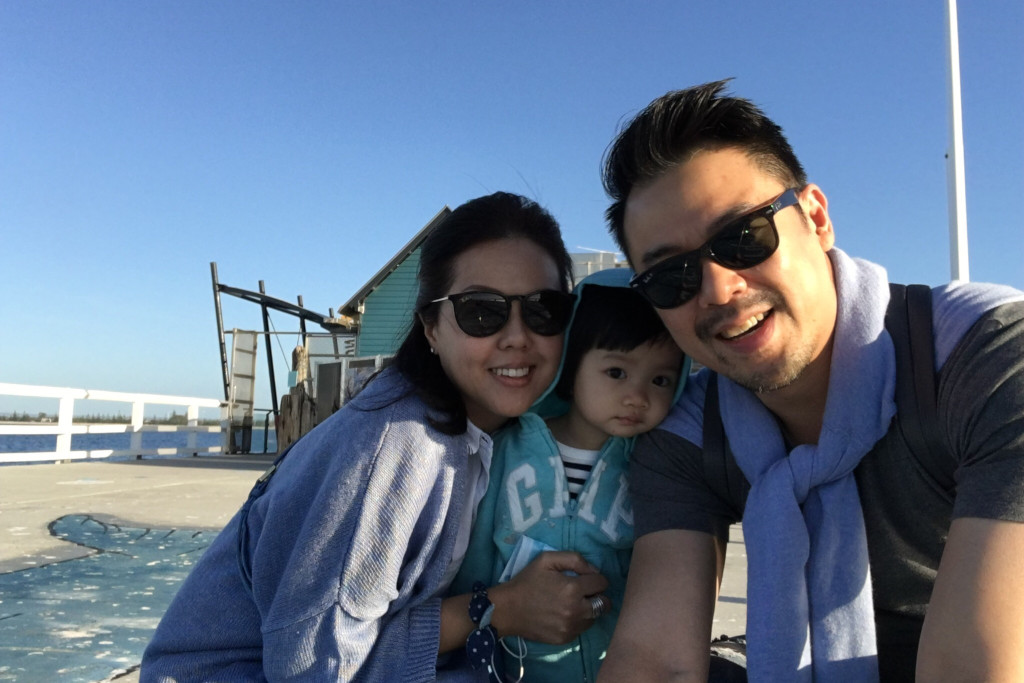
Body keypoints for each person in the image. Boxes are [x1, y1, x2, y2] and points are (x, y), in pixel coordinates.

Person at [595, 80, 1024, 682]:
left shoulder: (985, 354)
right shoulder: (688, 437)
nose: (720, 291)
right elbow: (656, 661)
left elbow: (976, 669)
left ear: (816, 218)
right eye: (672, 277)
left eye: (743, 238)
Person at [140, 192, 613, 681]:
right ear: (431, 328)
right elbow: (316, 667)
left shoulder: (515, 428)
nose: (517, 335)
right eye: (481, 311)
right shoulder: (395, 447)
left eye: (544, 310)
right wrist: (498, 609)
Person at [453, 269, 687, 682]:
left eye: (661, 379)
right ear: (571, 366)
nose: (638, 396)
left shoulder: (654, 467)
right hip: (511, 669)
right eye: (617, 372)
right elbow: (477, 561)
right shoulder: (506, 450)